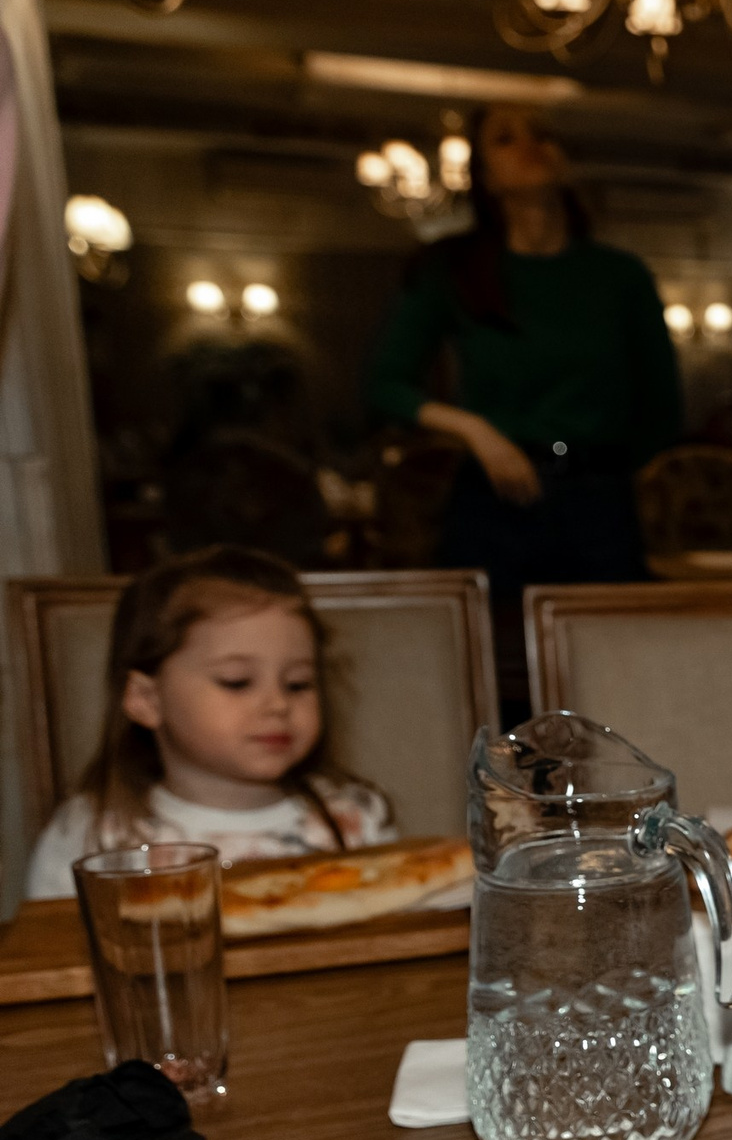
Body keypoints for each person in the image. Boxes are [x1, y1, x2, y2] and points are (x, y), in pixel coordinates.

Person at [365, 105, 680, 641]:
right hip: (495, 497)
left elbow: (662, 402)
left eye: (544, 134)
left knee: (611, 653)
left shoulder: (619, 276)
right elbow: (384, 384)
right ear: (486, 177)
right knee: (491, 654)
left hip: (598, 502)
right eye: (506, 139)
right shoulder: (453, 269)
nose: (532, 145)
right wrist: (476, 431)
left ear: (565, 161)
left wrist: (601, 469)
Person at [27, 547, 393, 900]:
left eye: (298, 684)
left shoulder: (357, 820)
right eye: (237, 682)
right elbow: (49, 938)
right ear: (147, 700)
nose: (279, 704)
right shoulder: (90, 837)